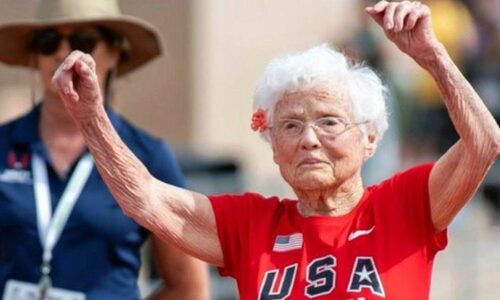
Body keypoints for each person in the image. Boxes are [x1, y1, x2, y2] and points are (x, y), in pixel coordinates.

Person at [52, 1, 500, 299]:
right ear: (273, 148)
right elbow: (145, 198)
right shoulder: (250, 225)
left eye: (329, 122)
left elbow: (484, 142)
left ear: (370, 138)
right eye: (290, 125)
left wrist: (432, 57)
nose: (308, 138)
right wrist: (91, 117)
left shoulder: (404, 206)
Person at [0, 0, 209, 299]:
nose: (62, 52)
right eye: (47, 42)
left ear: (114, 54)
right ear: (34, 56)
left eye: (83, 40)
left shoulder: (147, 156)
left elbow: (188, 288)